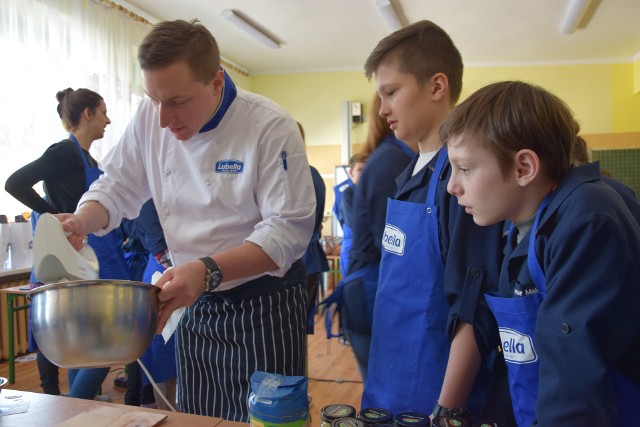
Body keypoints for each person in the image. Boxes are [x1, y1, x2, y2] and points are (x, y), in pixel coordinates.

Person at [55, 19, 315, 422]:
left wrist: (207, 270)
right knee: (199, 417)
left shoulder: (269, 125)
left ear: (216, 82)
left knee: (267, 419)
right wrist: (82, 221)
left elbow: (287, 231)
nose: (162, 119)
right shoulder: (151, 116)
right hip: (195, 301)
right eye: (152, 99)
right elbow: (120, 186)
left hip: (265, 304)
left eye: (177, 101)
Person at [443, 80, 640, 425]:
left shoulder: (586, 221)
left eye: (465, 168)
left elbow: (574, 378)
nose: (452, 186)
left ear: (524, 168)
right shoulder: (523, 227)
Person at [360, 20, 512, 424]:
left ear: (437, 86)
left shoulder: (458, 181)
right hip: (387, 383)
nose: (382, 109)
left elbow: (473, 309)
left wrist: (445, 410)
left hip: (432, 397)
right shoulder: (408, 174)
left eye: (391, 92)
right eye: (379, 96)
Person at [4, 88, 132, 400]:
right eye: (103, 112)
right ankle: (70, 407)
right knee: (100, 346)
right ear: (87, 113)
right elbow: (14, 183)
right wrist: (53, 217)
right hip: (70, 261)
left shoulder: (87, 158)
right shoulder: (63, 152)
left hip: (89, 260)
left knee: (84, 343)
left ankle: (77, 405)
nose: (108, 120)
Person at [339, 92, 417, 382]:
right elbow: (392, 246)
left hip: (374, 290)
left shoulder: (396, 157)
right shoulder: (391, 161)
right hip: (372, 294)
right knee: (386, 394)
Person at [298, 122, 330, 334]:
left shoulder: (295, 175)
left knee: (290, 333)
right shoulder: (313, 173)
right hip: (309, 258)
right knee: (297, 332)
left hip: (297, 261)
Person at [333, 153, 367, 278]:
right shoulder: (345, 192)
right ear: (351, 172)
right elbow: (353, 223)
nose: (364, 173)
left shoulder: (371, 190)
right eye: (360, 169)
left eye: (367, 169)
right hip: (352, 246)